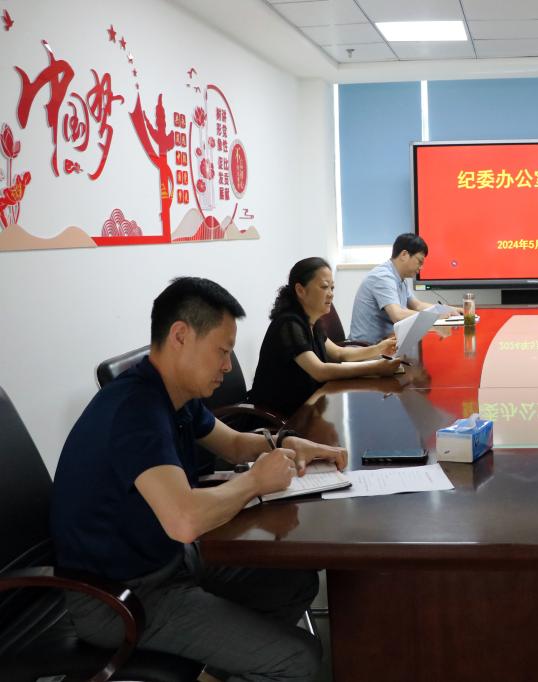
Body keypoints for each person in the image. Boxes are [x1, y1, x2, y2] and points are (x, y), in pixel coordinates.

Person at [51, 277, 349, 681]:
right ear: (181, 336)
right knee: (299, 660)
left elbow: (236, 445)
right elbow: (185, 521)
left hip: (167, 561)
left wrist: (288, 442)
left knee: (294, 581)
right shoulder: (136, 412)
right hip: (119, 597)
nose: (227, 365)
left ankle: (222, 669)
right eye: (222, 351)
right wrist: (255, 482)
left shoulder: (174, 395)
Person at [249, 257, 403, 417]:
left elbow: (340, 353)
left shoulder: (312, 322)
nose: (331, 294)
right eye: (324, 287)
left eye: (332, 288)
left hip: (309, 406)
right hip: (280, 417)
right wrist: (376, 368)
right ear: (300, 290)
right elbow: (320, 371)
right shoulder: (288, 325)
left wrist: (379, 348)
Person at [349, 233, 458, 343]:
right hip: (368, 348)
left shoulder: (400, 278)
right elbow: (398, 315)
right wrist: (435, 316)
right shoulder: (383, 277)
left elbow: (417, 305)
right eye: (419, 261)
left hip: (387, 343)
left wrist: (447, 309)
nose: (421, 267)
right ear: (404, 255)